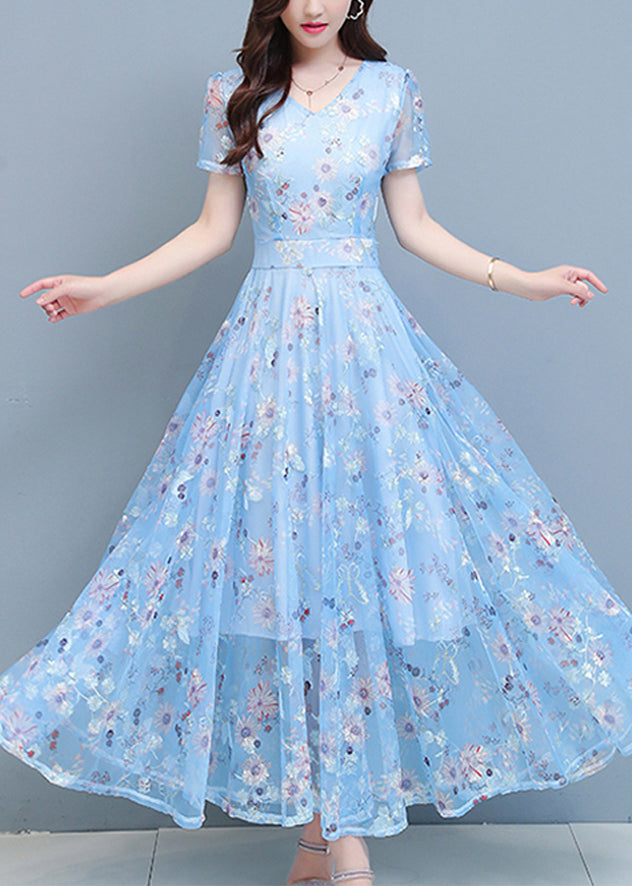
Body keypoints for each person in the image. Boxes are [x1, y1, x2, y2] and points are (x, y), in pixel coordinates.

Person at [1, 2, 627, 885]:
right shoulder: (235, 94)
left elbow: (415, 227)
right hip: (266, 358)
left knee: (368, 573)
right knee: (279, 579)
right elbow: (212, 231)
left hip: (368, 356)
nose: (315, 4)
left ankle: (330, 842)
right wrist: (103, 289)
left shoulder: (392, 91)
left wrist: (521, 281)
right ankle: (327, 839)